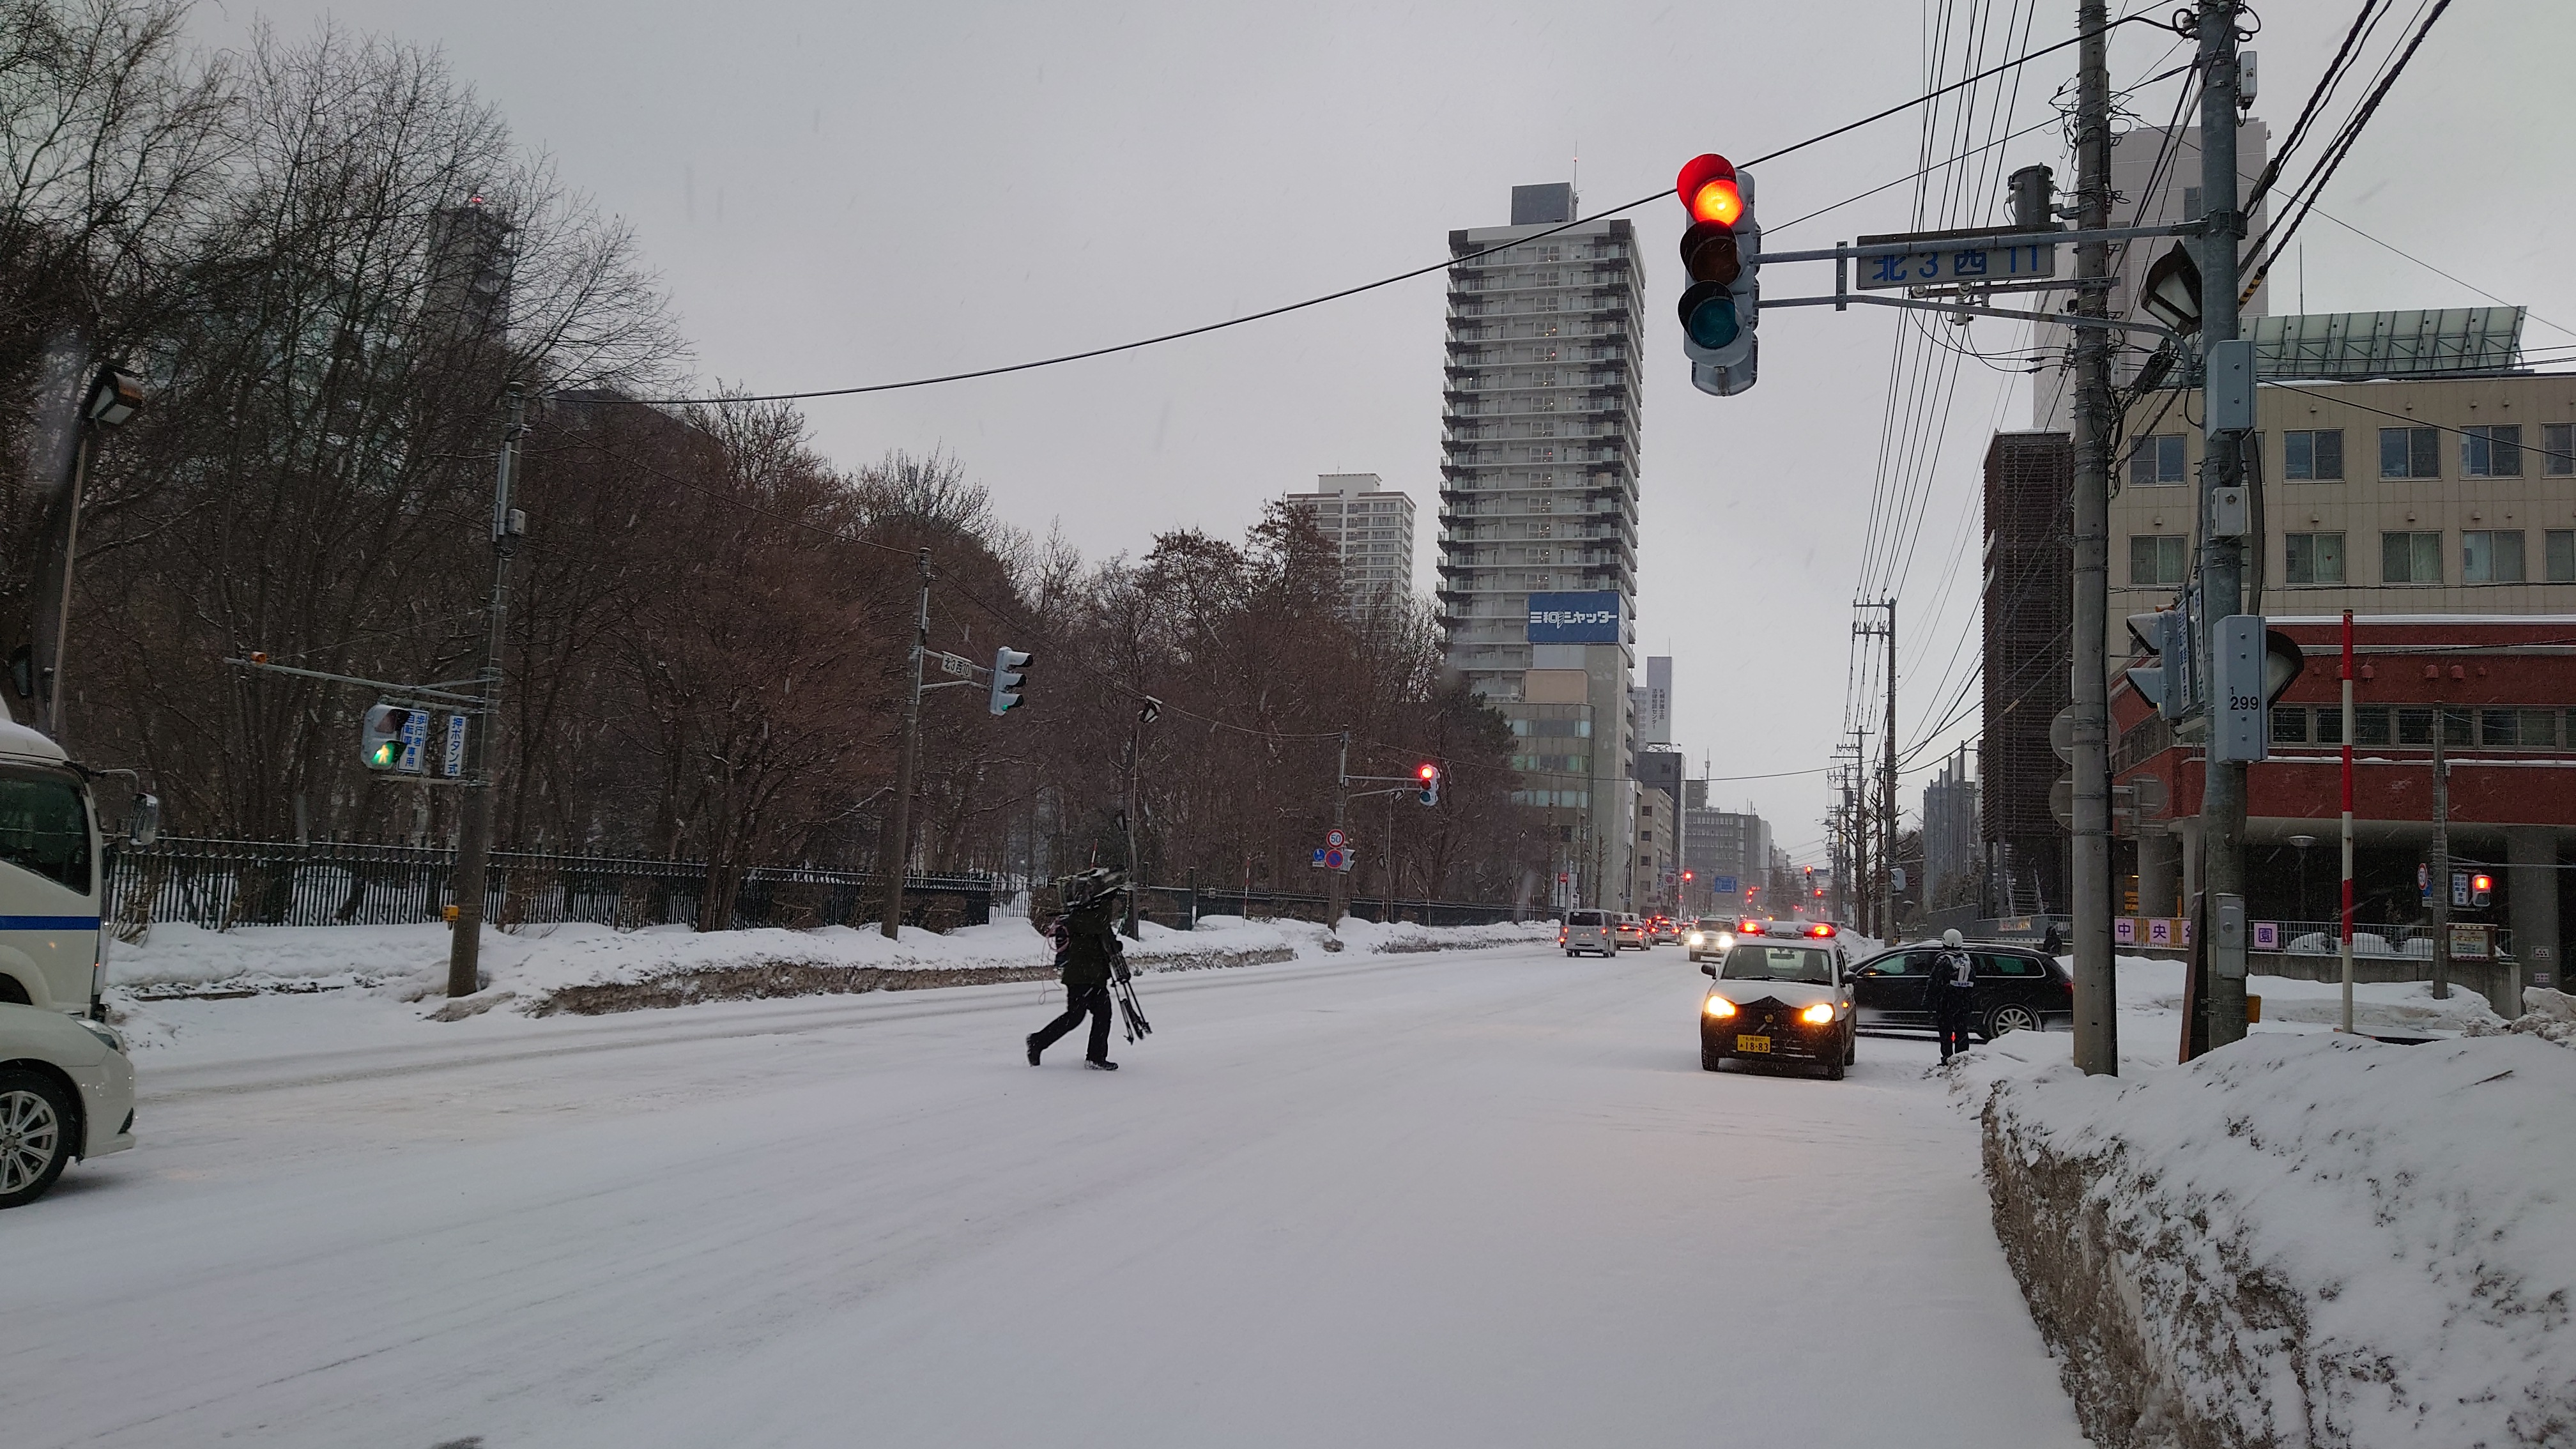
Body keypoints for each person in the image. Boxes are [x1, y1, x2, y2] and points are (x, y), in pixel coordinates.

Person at [1027, 868, 1128, 1071]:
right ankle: (1038, 1042)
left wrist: (1115, 946)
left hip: (1094, 977)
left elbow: (1101, 938)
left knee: (1102, 1014)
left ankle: (1096, 1057)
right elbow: (1098, 925)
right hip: (1082, 977)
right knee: (1075, 1017)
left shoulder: (1090, 916)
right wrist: (1108, 900)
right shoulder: (1083, 918)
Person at [1931, 927, 1977, 1063]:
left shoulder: (1942, 960)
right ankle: (1962, 1058)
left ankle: (1947, 1058)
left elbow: (1934, 982)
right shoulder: (1967, 960)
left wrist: (1930, 1000)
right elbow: (1974, 981)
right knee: (1961, 1031)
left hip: (1946, 1003)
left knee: (1946, 1033)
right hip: (1963, 1003)